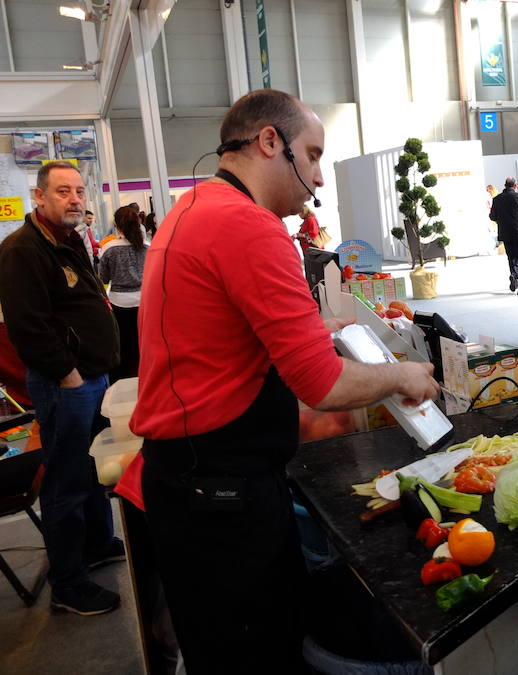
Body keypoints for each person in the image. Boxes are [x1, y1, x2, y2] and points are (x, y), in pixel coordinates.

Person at [128, 89, 439, 673]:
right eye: (313, 154)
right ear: (269, 141)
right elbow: (321, 384)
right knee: (256, 652)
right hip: (220, 493)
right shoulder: (249, 224)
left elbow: (221, 326)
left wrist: (309, 325)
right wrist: (402, 374)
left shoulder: (197, 207)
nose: (318, 177)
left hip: (188, 483)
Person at [0, 160, 122, 616]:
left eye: (78, 191)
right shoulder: (23, 250)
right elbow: (28, 327)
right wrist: (68, 376)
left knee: (92, 470)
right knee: (66, 482)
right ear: (39, 197)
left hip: (91, 378)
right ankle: (69, 583)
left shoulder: (68, 241)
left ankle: (96, 542)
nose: (74, 199)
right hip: (66, 385)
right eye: (63, 192)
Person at [99, 206, 148, 383]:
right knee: (144, 345)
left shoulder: (108, 248)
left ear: (117, 226)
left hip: (119, 302)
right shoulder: (147, 247)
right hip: (145, 301)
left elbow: (103, 277)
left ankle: (126, 381)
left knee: (124, 345)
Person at [490, 176, 518, 291]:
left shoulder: (497, 199)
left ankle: (514, 275)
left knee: (510, 256)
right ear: (515, 185)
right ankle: (515, 275)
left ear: (505, 185)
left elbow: (492, 216)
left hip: (505, 232)